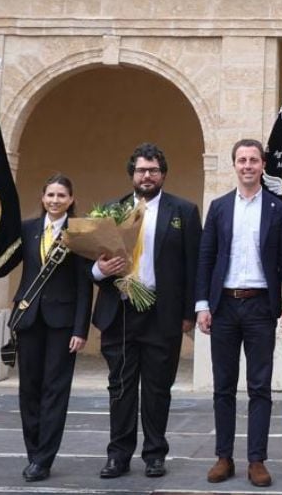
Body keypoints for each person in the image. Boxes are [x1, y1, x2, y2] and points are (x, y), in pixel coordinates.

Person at [91, 143, 201, 480]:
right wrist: (99, 271)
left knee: (157, 389)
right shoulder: (110, 211)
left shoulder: (183, 211)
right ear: (132, 174)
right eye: (141, 170)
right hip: (120, 312)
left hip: (162, 313)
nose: (147, 175)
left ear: (163, 174)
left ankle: (155, 454)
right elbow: (93, 265)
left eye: (153, 170)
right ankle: (118, 455)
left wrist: (188, 314)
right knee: (121, 388)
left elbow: (192, 267)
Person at [196, 138, 282, 488]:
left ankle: (256, 459)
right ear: (234, 165)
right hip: (223, 305)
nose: (247, 166)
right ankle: (223, 457)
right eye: (241, 160)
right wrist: (202, 305)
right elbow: (206, 257)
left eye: (253, 160)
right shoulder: (220, 207)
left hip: (260, 305)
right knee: (223, 386)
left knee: (259, 387)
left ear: (263, 165)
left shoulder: (277, 208)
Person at [0, 175, 91, 482]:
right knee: (29, 390)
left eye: (61, 195)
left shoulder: (78, 233)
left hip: (63, 324)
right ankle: (32, 452)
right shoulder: (27, 229)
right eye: (50, 194)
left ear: (71, 199)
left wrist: (81, 328)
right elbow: (5, 263)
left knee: (55, 390)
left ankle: (44, 458)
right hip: (29, 318)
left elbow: (83, 285)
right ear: (42, 198)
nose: (54, 200)